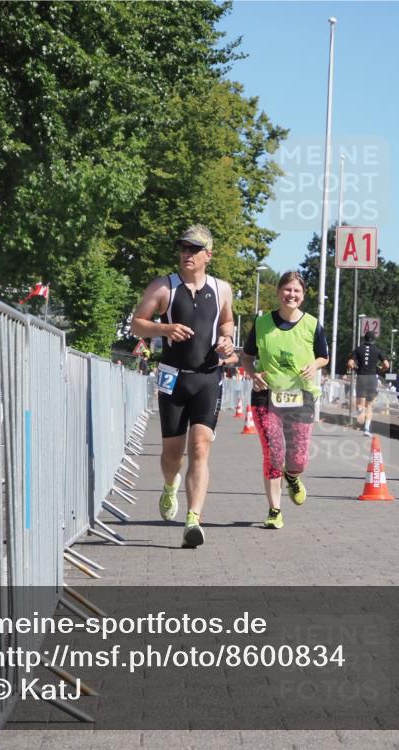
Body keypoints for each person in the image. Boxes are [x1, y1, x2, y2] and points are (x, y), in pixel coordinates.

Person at [130, 224, 234, 548]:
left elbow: (227, 320)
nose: (186, 254)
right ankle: (169, 485)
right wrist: (165, 328)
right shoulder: (164, 287)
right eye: (183, 248)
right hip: (172, 377)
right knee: (172, 454)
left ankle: (193, 519)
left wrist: (227, 340)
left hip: (207, 377)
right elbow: (137, 324)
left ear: (208, 255)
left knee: (200, 448)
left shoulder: (222, 289)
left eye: (194, 249)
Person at [241, 272, 329, 530]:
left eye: (297, 291)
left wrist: (314, 365)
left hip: (301, 396)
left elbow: (324, 356)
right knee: (274, 453)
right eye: (287, 290)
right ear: (279, 292)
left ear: (302, 296)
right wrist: (252, 373)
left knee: (298, 459)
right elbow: (246, 356)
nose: (291, 295)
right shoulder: (262, 324)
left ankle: (292, 476)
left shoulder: (312, 325)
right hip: (266, 396)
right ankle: (274, 510)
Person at [346, 331, 390, 437]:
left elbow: (350, 363)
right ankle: (366, 429)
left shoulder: (358, 349)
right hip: (372, 378)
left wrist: (356, 368)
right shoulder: (377, 350)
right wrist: (380, 370)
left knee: (360, 403)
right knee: (369, 404)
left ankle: (360, 410)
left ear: (364, 339)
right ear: (373, 340)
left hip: (361, 377)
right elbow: (387, 365)